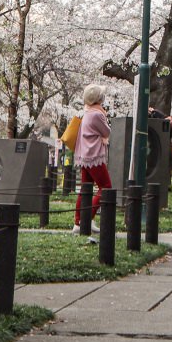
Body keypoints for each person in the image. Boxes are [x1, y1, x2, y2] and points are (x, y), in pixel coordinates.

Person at [72, 83, 111, 238]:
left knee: (85, 189)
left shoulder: (87, 112)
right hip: (94, 155)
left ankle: (78, 222)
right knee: (105, 187)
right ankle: (87, 218)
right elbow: (106, 131)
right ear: (99, 98)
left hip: (84, 154)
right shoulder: (97, 114)